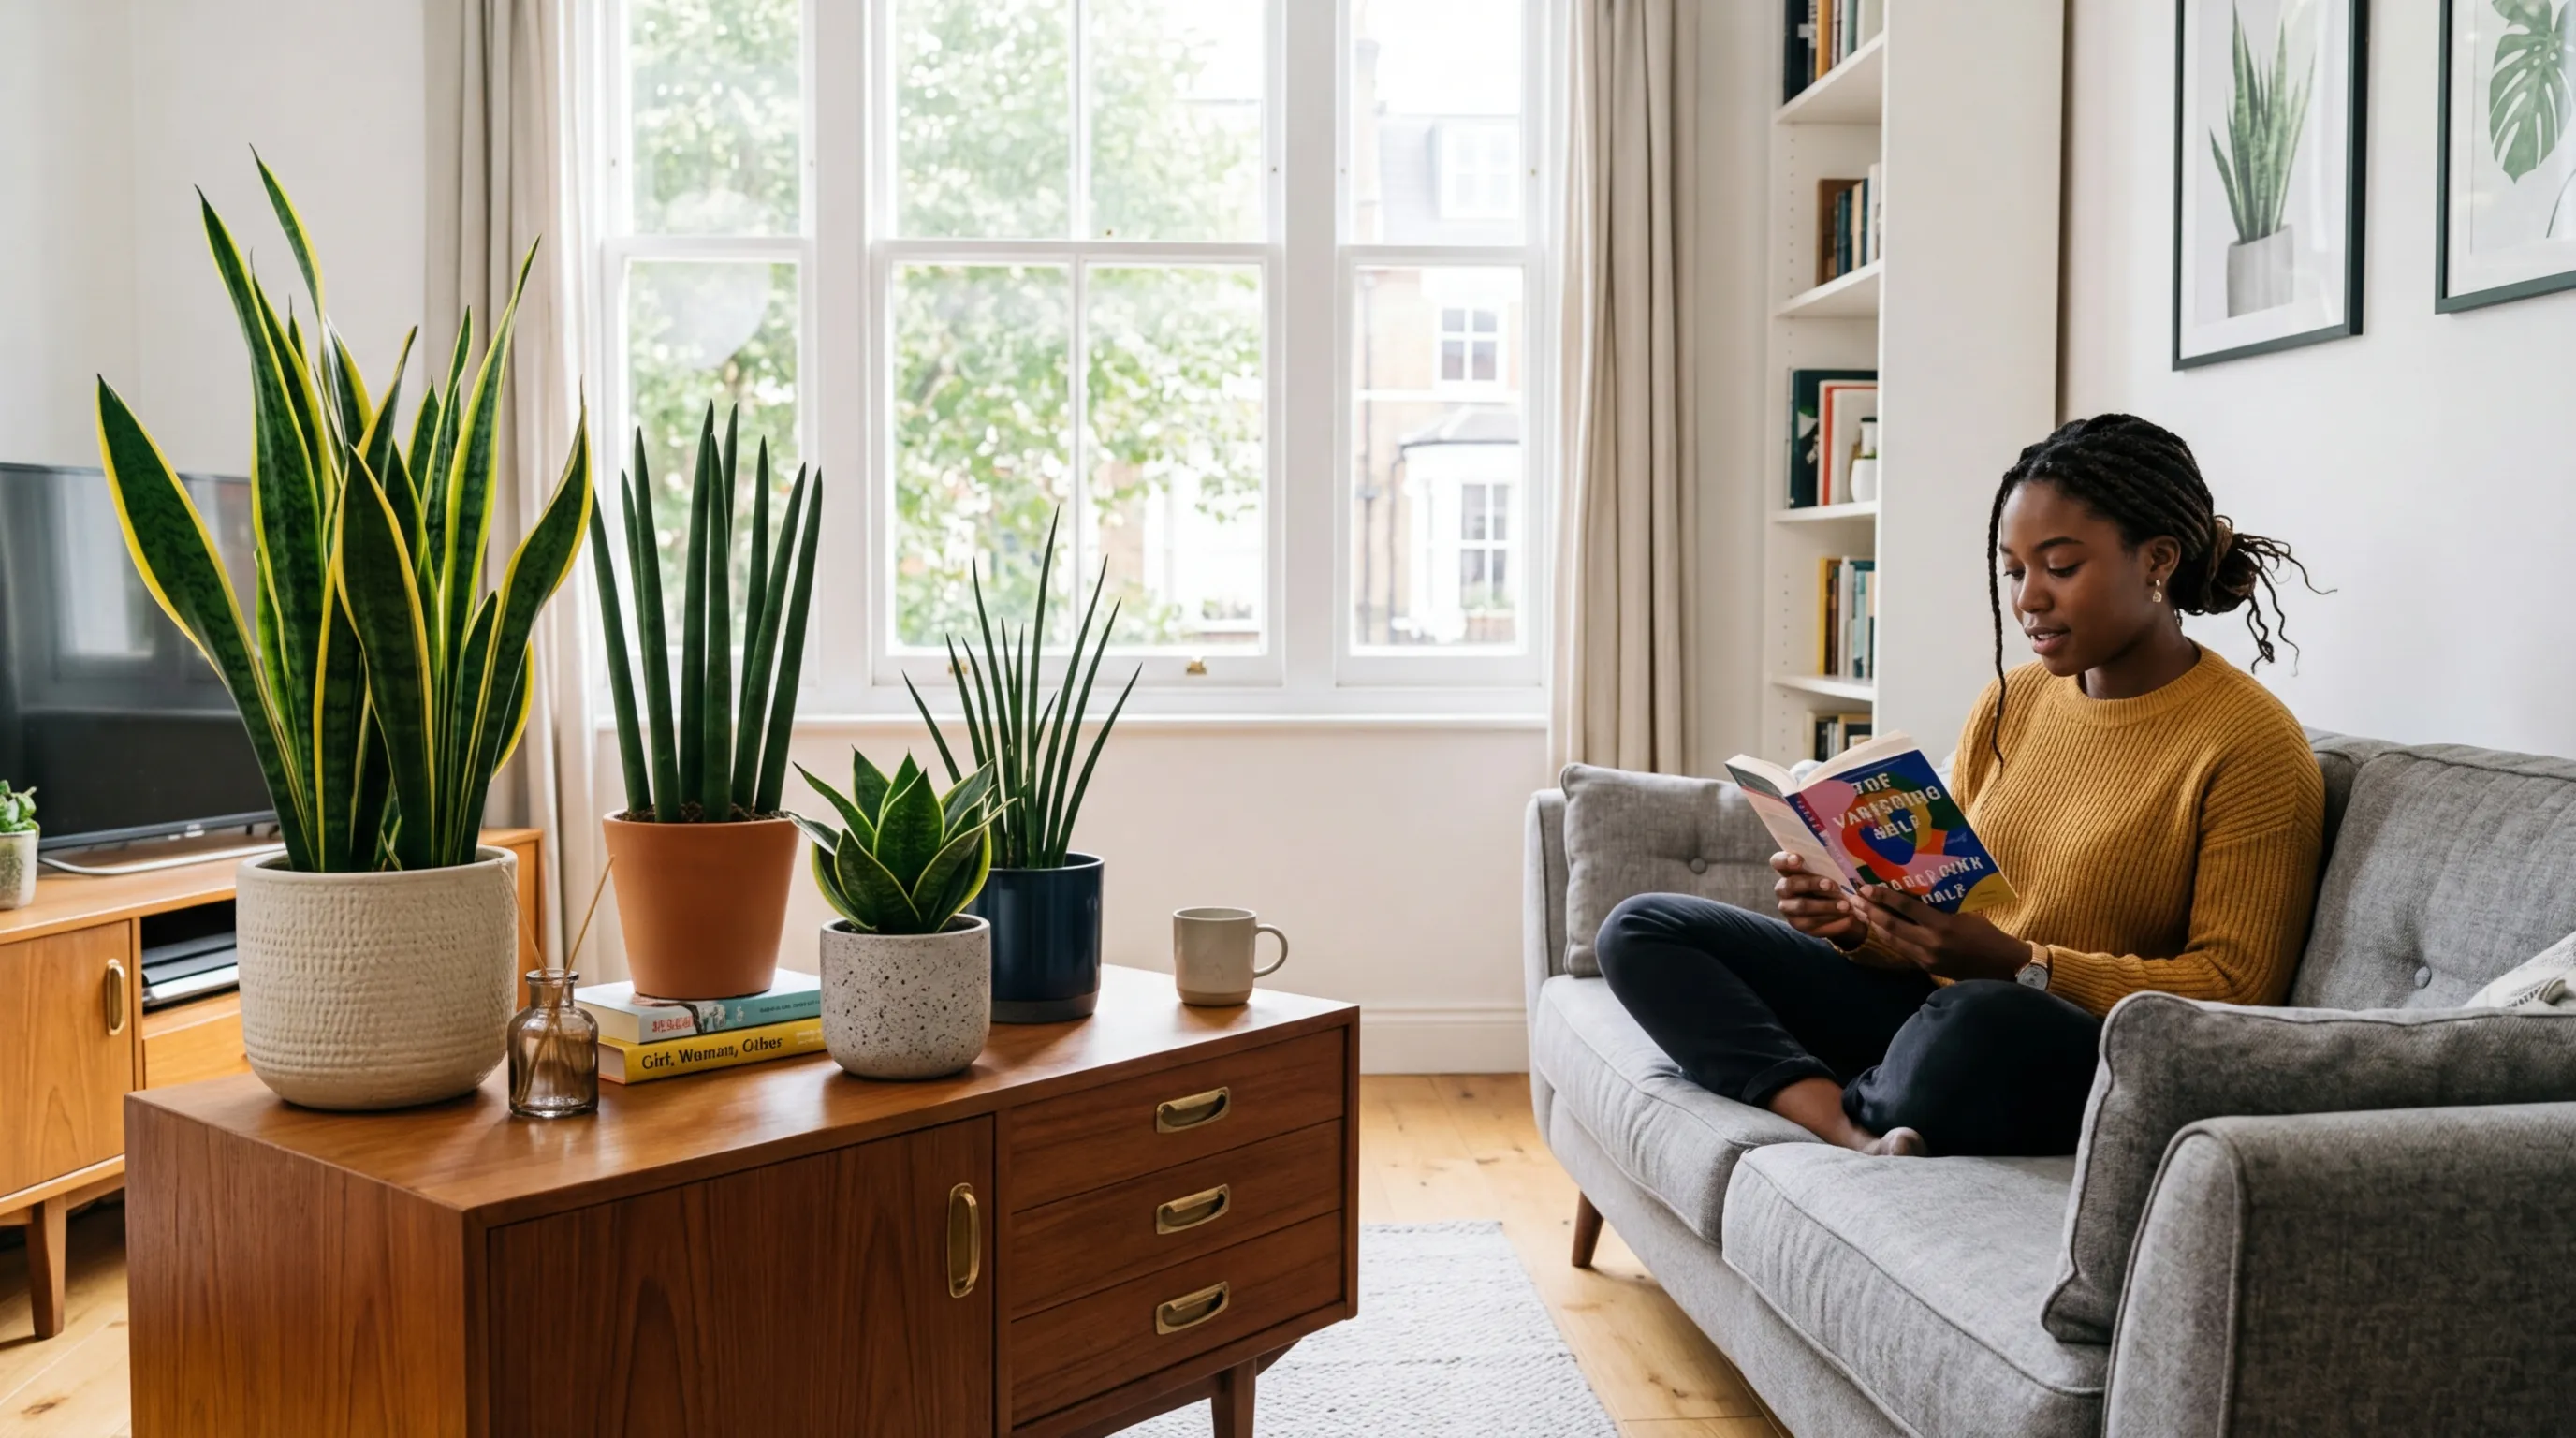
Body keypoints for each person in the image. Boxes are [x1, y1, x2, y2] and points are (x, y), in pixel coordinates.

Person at [1597, 413, 2325, 1157]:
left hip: (2059, 1042)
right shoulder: (2014, 700)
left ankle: (1835, 1083)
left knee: (1979, 1019)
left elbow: (2236, 992)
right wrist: (1857, 925)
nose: (2028, 599)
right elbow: (1942, 922)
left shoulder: (2250, 743)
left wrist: (2024, 967)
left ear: (2157, 560)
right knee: (1644, 927)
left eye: (2060, 567)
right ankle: (1844, 1122)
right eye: (2015, 571)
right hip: (1936, 1009)